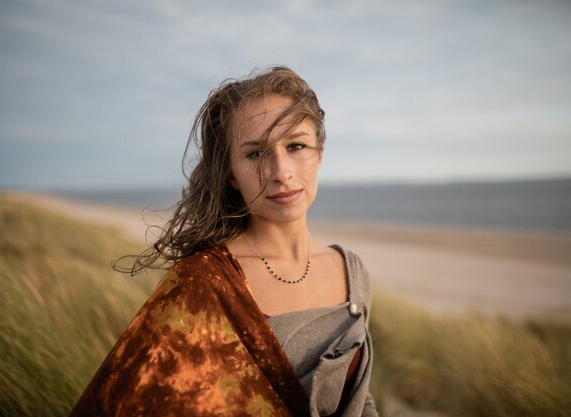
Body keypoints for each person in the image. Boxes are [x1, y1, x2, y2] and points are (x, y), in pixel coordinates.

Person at [69, 66, 378, 417]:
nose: (281, 172)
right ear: (231, 173)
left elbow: (361, 401)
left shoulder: (353, 272)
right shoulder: (204, 284)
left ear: (319, 154)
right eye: (256, 154)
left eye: (296, 146)